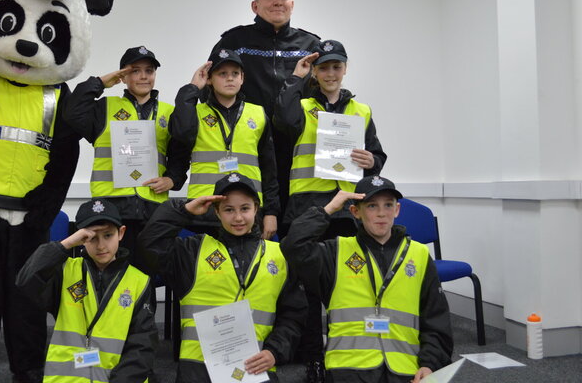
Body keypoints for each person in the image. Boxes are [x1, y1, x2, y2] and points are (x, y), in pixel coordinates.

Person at [274, 39, 387, 381]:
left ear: (345, 68)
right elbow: (282, 121)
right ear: (315, 71)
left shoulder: (361, 111)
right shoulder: (301, 104)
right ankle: (313, 359)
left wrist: (373, 161)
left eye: (336, 66)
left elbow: (376, 157)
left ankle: (346, 351)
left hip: (349, 210)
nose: (331, 73)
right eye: (323, 67)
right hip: (308, 207)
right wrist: (296, 78)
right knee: (306, 290)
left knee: (346, 286)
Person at [281, 176, 453, 383]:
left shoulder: (418, 255)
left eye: (388, 205)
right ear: (356, 212)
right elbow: (293, 247)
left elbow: (436, 320)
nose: (381, 213)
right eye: (372, 206)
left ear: (397, 210)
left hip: (405, 369)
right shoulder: (336, 252)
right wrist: (327, 210)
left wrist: (430, 364)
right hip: (348, 369)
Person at [138, 172, 307, 383]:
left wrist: (275, 352)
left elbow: (293, 316)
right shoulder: (192, 251)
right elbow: (149, 245)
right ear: (216, 212)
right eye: (228, 210)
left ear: (256, 208)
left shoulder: (280, 255)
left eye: (245, 208)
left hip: (256, 370)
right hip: (198, 373)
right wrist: (184, 210)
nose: (238, 218)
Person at [63, 46, 188, 268]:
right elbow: (72, 112)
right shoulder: (104, 108)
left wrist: (172, 180)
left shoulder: (169, 113)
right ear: (124, 75)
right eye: (135, 71)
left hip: (152, 209)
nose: (143, 76)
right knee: (113, 275)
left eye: (149, 71)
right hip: (111, 208)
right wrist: (101, 83)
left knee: (146, 278)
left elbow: (179, 155)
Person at [212, 0, 320, 217]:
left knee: (297, 226)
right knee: (251, 223)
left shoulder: (311, 44)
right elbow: (213, 91)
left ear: (292, 3)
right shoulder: (234, 42)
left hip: (297, 150)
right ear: (255, 6)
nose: (278, 2)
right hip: (250, 149)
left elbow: (326, 92)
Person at [17, 198, 157, 382]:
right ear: (81, 237)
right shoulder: (66, 271)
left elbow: (142, 344)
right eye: (92, 237)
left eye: (108, 235)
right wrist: (65, 244)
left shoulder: (139, 281)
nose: (101, 246)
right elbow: (25, 280)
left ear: (121, 233)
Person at [169, 48, 279, 239]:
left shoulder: (258, 114)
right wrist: (193, 88)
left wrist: (271, 212)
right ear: (209, 79)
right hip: (205, 209)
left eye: (235, 73)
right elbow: (181, 133)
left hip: (247, 211)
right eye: (222, 74)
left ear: (242, 78)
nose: (230, 78)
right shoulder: (195, 113)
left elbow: (269, 168)